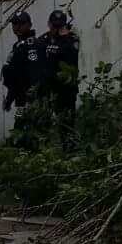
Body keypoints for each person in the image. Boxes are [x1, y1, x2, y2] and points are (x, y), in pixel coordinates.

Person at [37, 9, 79, 146]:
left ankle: (69, 149)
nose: (56, 29)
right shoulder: (44, 39)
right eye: (54, 26)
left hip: (65, 90)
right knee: (46, 122)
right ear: (49, 24)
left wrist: (64, 36)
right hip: (48, 89)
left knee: (66, 124)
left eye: (59, 26)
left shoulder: (71, 39)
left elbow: (71, 57)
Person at [1, 10, 43, 129]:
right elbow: (14, 77)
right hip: (20, 98)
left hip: (29, 100)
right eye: (15, 24)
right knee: (20, 128)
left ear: (29, 25)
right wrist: (9, 99)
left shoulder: (32, 45)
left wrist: (31, 99)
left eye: (21, 24)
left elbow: (35, 75)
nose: (17, 27)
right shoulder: (18, 46)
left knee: (24, 129)